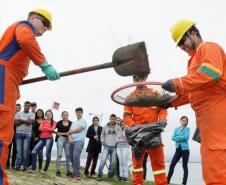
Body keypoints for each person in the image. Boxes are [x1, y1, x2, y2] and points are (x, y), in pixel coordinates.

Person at [161, 19, 226, 184]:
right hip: (205, 117)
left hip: (218, 110)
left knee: (215, 160)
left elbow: (211, 73)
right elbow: (193, 91)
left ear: (194, 33)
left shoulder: (208, 47)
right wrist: (170, 102)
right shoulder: (192, 61)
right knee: (213, 159)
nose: (182, 46)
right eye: (179, 44)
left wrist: (178, 83)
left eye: (183, 40)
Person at [0, 8, 60, 184]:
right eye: (44, 24)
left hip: (9, 80)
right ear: (33, 18)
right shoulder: (24, 26)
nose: (44, 30)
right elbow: (26, 40)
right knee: (3, 133)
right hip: (4, 77)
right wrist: (44, 64)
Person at [123, 74, 168, 185]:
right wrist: (133, 126)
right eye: (136, 78)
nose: (139, 80)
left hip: (154, 133)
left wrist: (162, 119)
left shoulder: (154, 93)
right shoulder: (130, 97)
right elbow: (127, 116)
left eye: (141, 78)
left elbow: (162, 109)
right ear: (133, 80)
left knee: (159, 164)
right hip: (137, 135)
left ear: (145, 78)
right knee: (137, 165)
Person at [97, 114, 121, 181]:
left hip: (114, 147)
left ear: (115, 119)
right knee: (103, 160)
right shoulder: (105, 127)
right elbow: (102, 135)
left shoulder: (118, 128)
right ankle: (99, 175)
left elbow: (120, 137)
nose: (112, 120)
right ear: (109, 119)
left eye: (114, 119)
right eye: (111, 119)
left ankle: (110, 176)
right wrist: (103, 142)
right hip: (106, 147)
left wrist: (117, 143)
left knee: (112, 162)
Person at [167, 116, 190, 185]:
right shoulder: (176, 129)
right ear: (180, 121)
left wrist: (177, 137)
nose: (184, 121)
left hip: (185, 150)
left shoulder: (188, 129)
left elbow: (186, 137)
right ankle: (167, 181)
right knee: (172, 165)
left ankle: (184, 183)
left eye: (185, 120)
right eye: (183, 120)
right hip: (178, 149)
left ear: (186, 122)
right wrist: (180, 138)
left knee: (184, 166)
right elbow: (172, 138)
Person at [68, 107, 87, 180]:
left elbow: (79, 130)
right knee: (71, 157)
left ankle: (78, 174)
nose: (78, 113)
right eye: (77, 112)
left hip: (79, 141)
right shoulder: (73, 123)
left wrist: (70, 132)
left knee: (76, 156)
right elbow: (69, 132)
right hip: (72, 141)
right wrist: (69, 139)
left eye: (80, 112)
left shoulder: (83, 121)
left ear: (82, 113)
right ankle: (74, 173)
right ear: (75, 113)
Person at [14, 101, 33, 171]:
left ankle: (24, 167)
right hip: (18, 134)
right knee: (19, 151)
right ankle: (18, 166)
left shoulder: (32, 114)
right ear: (24, 106)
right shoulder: (18, 113)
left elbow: (29, 123)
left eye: (28, 106)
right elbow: (16, 123)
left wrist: (21, 120)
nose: (27, 107)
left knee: (25, 151)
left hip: (27, 134)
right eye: (26, 105)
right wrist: (26, 120)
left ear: (30, 107)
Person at [55, 111, 72, 177]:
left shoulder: (71, 123)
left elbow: (70, 133)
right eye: (64, 115)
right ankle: (58, 171)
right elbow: (54, 130)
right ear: (62, 116)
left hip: (67, 140)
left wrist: (61, 133)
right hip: (60, 139)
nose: (65, 116)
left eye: (66, 115)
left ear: (68, 115)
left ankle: (68, 172)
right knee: (59, 155)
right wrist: (57, 134)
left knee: (68, 155)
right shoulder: (59, 123)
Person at [6, 103, 21, 169]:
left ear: (20, 108)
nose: (17, 108)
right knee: (8, 149)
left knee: (15, 150)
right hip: (9, 133)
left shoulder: (20, 115)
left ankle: (13, 165)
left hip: (17, 134)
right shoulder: (11, 114)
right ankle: (7, 164)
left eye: (18, 107)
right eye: (16, 107)